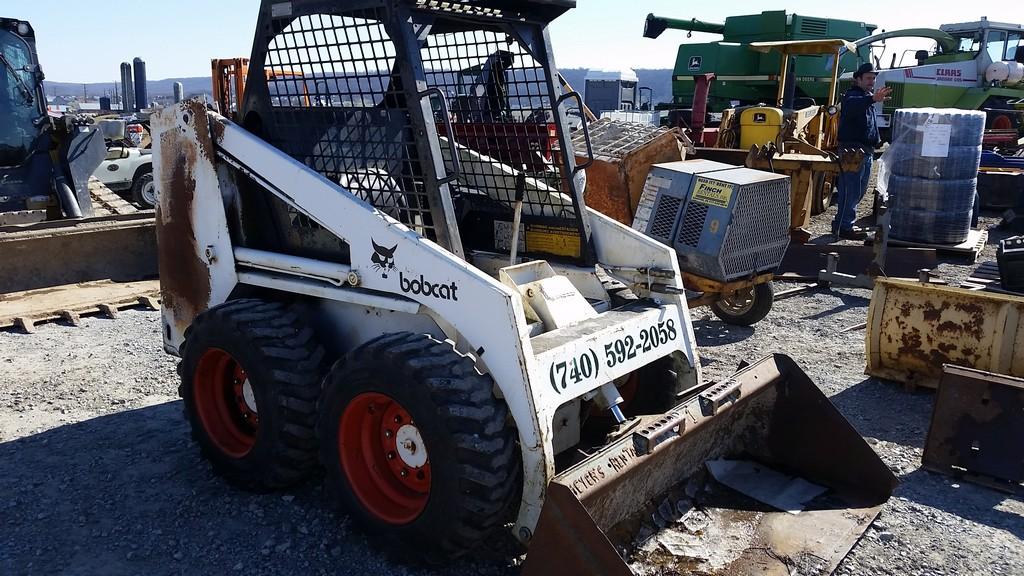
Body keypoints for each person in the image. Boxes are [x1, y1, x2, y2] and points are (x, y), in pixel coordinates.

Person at [833, 63, 892, 240]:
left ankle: (842, 224)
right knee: (850, 190)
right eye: (868, 78)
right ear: (857, 79)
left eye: (873, 78)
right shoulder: (853, 96)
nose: (871, 81)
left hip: (865, 151)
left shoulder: (867, 97)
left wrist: (877, 140)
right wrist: (873, 99)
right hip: (852, 151)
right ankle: (844, 226)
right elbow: (852, 107)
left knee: (858, 190)